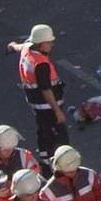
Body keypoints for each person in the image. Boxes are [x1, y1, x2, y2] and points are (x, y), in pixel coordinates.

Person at [12, 23, 68, 158]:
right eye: (49, 42)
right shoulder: (41, 64)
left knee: (43, 131)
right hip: (47, 106)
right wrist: (57, 111)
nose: (51, 45)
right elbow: (46, 90)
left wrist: (11, 46)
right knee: (58, 136)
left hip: (35, 102)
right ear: (41, 44)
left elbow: (18, 47)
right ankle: (58, 160)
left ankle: (45, 158)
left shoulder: (27, 48)